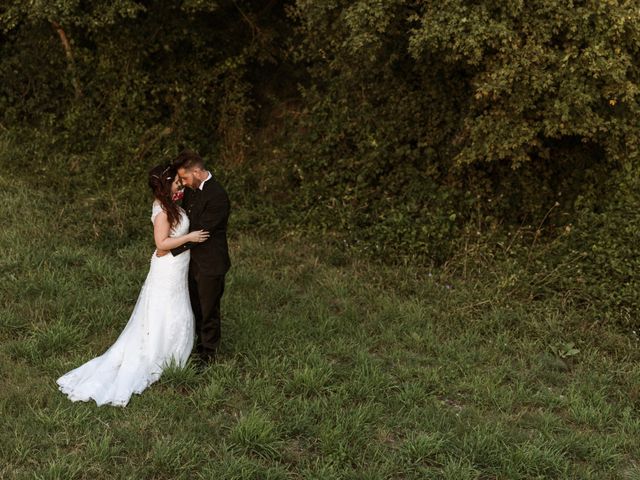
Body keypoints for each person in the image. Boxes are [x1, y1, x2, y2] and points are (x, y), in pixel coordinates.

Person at [56, 164, 209, 407]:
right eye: (177, 184)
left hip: (177, 267)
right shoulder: (162, 211)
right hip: (167, 268)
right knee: (166, 308)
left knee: (176, 306)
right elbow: (161, 243)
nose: (180, 187)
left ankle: (175, 352)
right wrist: (189, 238)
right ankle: (162, 353)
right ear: (166, 185)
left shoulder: (169, 204)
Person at [157, 150, 230, 365]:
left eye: (186, 178)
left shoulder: (218, 196)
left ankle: (208, 355)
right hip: (189, 261)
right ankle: (193, 344)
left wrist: (169, 249)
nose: (184, 183)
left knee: (208, 310)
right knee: (194, 306)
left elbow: (203, 233)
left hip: (210, 262)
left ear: (197, 172)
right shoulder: (191, 190)